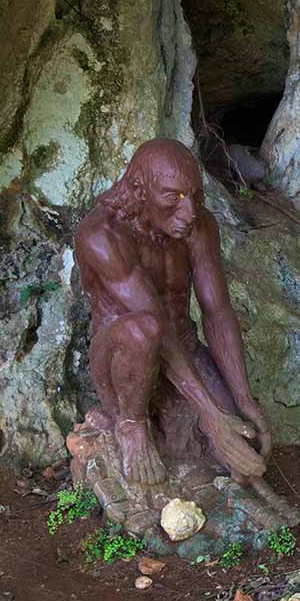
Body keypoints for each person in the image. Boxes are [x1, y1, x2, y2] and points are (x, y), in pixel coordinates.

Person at [75, 138, 271, 486]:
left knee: (244, 459)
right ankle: (132, 425)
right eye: (173, 197)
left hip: (185, 349)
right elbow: (157, 329)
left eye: (195, 196)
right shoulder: (101, 235)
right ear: (139, 191)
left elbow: (218, 312)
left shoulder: (197, 225)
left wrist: (243, 399)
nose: (189, 212)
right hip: (126, 358)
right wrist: (212, 416)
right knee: (144, 329)